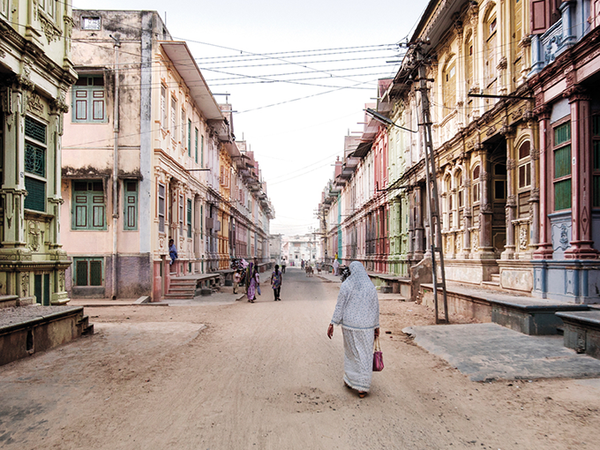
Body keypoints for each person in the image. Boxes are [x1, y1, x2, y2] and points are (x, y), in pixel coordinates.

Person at [327, 261, 380, 398]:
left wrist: (332, 323)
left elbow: (340, 306)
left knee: (351, 354)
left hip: (350, 326)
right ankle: (362, 386)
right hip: (367, 327)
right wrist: (376, 326)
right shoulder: (370, 287)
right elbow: (375, 308)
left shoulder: (346, 286)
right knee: (365, 356)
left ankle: (351, 380)